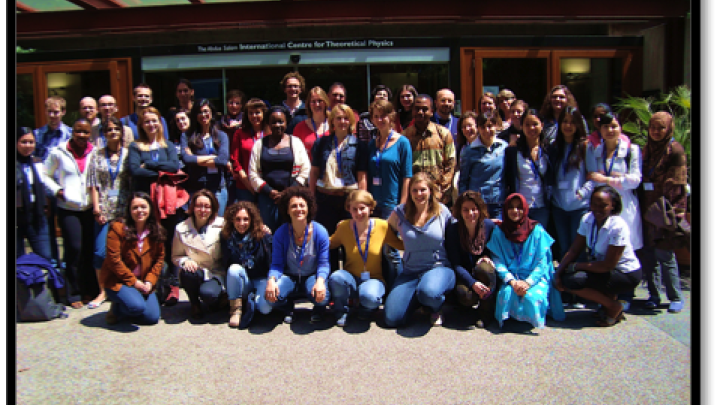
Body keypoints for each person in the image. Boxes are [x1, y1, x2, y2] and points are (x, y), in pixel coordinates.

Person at [555, 186, 642, 326]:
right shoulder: (587, 219)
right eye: (594, 204)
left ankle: (613, 306)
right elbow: (574, 249)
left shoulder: (618, 226)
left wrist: (576, 266)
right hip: (604, 269)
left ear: (613, 205)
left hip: (626, 273)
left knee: (573, 280)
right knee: (565, 277)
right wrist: (558, 273)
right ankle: (608, 305)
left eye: (603, 205)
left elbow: (608, 265)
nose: (597, 209)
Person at [385, 172, 456, 327]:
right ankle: (419, 299)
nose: (419, 194)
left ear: (431, 191)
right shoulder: (400, 212)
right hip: (410, 272)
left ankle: (435, 306)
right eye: (414, 190)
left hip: (438, 268)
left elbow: (457, 234)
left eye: (423, 189)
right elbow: (384, 231)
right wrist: (405, 247)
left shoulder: (443, 212)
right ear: (409, 192)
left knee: (429, 292)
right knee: (392, 318)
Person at [127, 106, 182, 305]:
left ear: (160, 123)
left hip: (167, 202)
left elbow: (174, 167)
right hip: (145, 202)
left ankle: (172, 286)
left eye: (154, 120)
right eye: (147, 121)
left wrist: (149, 165)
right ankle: (152, 284)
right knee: (150, 242)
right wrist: (161, 170)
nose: (151, 124)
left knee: (169, 242)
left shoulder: (167, 145)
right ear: (141, 125)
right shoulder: (135, 146)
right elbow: (134, 171)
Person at [486, 193, 565, 329]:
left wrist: (528, 282)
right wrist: (512, 281)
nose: (515, 211)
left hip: (534, 278)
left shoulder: (537, 230)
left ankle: (531, 319)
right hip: (512, 278)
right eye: (511, 207)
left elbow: (543, 263)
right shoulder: (499, 232)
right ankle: (512, 319)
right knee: (506, 294)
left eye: (519, 207)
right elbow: (497, 261)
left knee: (531, 297)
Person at [328, 190, 404, 326]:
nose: (359, 213)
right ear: (349, 210)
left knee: (370, 297)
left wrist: (413, 234)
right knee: (336, 277)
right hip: (350, 277)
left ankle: (365, 309)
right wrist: (310, 234)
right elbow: (329, 244)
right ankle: (341, 310)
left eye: (362, 208)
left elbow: (400, 245)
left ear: (370, 208)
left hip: (374, 279)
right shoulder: (344, 227)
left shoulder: (382, 226)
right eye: (354, 209)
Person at [44, 118, 97, 309]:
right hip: (68, 208)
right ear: (72, 132)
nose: (82, 136)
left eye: (85, 132)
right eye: (78, 131)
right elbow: (45, 174)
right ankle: (73, 292)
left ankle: (89, 289)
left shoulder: (95, 152)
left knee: (89, 250)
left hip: (90, 208)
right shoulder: (59, 151)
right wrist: (57, 191)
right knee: (74, 249)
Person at [638, 111, 688, 313]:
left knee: (665, 254)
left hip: (665, 209)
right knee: (649, 254)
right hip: (646, 208)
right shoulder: (647, 149)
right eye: (653, 127)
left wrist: (677, 212)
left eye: (661, 128)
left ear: (669, 128)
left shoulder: (674, 150)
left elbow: (679, 183)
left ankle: (675, 296)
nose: (656, 132)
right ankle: (654, 294)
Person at [264, 186, 331, 324]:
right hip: (290, 277)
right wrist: (271, 280)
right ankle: (287, 307)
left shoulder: (320, 232)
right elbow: (276, 264)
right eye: (294, 206)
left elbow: (324, 263)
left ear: (308, 208)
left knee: (324, 297)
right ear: (287, 210)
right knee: (270, 297)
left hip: (311, 276)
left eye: (302, 205)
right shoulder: (281, 233)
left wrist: (320, 281)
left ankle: (318, 309)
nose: (298, 209)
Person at [85, 116, 132, 309]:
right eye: (108, 130)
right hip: (104, 210)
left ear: (121, 132)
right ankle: (102, 291)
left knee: (123, 251)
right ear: (103, 134)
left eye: (115, 129)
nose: (112, 132)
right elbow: (93, 183)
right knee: (99, 251)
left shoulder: (130, 154)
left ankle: (122, 286)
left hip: (124, 210)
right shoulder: (96, 154)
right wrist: (96, 207)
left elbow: (132, 183)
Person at [100, 192, 166, 325]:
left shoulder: (156, 230)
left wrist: (149, 282)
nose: (139, 211)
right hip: (119, 281)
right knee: (137, 307)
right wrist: (134, 282)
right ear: (129, 211)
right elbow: (114, 261)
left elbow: (159, 259)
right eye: (135, 208)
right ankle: (117, 308)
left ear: (150, 209)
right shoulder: (117, 228)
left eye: (143, 207)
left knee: (152, 318)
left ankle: (129, 304)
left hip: (143, 281)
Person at [366, 99, 412, 287]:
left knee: (391, 250)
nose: (379, 119)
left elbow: (407, 177)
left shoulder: (402, 143)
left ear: (392, 116)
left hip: (391, 204)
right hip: (373, 204)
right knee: (375, 249)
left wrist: (402, 207)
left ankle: (398, 289)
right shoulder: (371, 144)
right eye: (376, 116)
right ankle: (384, 287)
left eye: (383, 115)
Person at [586, 112, 643, 255]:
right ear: (600, 129)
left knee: (625, 249)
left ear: (620, 128)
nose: (610, 130)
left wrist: (606, 179)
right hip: (602, 207)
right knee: (603, 248)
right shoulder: (596, 151)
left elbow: (635, 180)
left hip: (625, 205)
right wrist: (619, 178)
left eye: (614, 126)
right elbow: (592, 177)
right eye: (606, 126)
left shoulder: (632, 150)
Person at [309, 103, 369, 237]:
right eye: (339, 118)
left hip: (348, 199)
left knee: (349, 240)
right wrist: (312, 198)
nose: (343, 121)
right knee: (328, 241)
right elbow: (314, 172)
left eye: (346, 118)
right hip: (325, 199)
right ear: (332, 121)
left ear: (351, 121)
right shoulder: (321, 143)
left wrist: (361, 201)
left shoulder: (359, 146)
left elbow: (361, 177)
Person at [248, 106, 311, 232]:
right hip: (267, 198)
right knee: (267, 233)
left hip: (292, 197)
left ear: (286, 122)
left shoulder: (296, 143)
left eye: (281, 121)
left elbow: (305, 169)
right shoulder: (259, 145)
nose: (277, 125)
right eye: (274, 122)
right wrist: (270, 192)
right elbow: (253, 173)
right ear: (268, 124)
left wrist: (287, 192)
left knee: (291, 232)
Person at [546, 107, 594, 261]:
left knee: (578, 248)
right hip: (559, 206)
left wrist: (582, 193)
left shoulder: (586, 147)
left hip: (578, 207)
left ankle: (578, 282)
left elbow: (593, 177)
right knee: (564, 247)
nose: (568, 125)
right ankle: (565, 281)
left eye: (572, 122)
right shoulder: (554, 146)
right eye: (565, 121)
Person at [445, 191, 498, 328]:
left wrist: (488, 257)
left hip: (483, 272)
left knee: (485, 268)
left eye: (474, 209)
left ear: (480, 210)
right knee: (465, 295)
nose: (470, 214)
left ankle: (486, 312)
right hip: (465, 273)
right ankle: (465, 306)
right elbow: (455, 264)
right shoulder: (453, 230)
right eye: (466, 210)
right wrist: (472, 283)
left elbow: (496, 252)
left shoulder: (488, 226)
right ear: (459, 211)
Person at [172, 190, 227, 319]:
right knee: (187, 272)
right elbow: (176, 256)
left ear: (213, 208)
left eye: (207, 206)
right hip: (196, 270)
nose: (203, 210)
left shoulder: (223, 224)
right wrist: (185, 261)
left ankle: (215, 299)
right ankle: (194, 304)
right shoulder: (181, 228)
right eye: (199, 206)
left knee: (209, 295)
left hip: (215, 271)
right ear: (193, 207)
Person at [34, 96, 73, 270]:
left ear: (63, 112)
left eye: (56, 112)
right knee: (47, 230)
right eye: (49, 111)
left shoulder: (70, 134)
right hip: (45, 189)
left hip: (66, 189)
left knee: (67, 229)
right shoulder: (37, 135)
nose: (52, 115)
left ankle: (67, 265)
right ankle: (52, 266)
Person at [221, 201, 273, 328]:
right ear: (232, 220)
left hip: (261, 279)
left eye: (246, 219)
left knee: (265, 309)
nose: (242, 223)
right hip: (242, 280)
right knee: (233, 269)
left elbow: (272, 263)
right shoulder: (226, 237)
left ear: (252, 220)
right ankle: (236, 310)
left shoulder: (263, 235)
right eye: (238, 219)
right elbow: (225, 263)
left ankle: (251, 301)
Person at [404, 94, 457, 206]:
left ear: (432, 111)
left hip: (439, 196)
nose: (420, 112)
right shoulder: (405, 137)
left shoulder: (443, 134)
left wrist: (441, 191)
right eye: (417, 109)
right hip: (414, 196)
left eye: (424, 109)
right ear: (413, 111)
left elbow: (451, 164)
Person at [181, 98, 231, 216]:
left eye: (206, 111)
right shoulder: (187, 136)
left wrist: (195, 158)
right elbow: (187, 159)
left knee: (216, 226)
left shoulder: (221, 135)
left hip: (217, 188)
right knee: (198, 225)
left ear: (211, 113)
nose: (203, 115)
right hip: (196, 187)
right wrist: (214, 157)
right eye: (199, 112)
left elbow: (223, 160)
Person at [503, 109, 551, 230]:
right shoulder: (513, 151)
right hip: (520, 207)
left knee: (539, 242)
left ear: (542, 125)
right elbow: (508, 178)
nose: (531, 128)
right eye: (527, 125)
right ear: (522, 127)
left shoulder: (549, 150)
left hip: (542, 205)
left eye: (535, 124)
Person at [458, 110, 508, 219]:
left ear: (496, 126)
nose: (487, 130)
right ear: (478, 128)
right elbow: (463, 180)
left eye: (490, 126)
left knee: (496, 233)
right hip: (478, 203)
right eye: (483, 127)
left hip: (498, 201)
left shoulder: (503, 147)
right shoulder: (470, 151)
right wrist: (464, 202)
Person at [16, 127, 52, 263]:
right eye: (23, 142)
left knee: (45, 256)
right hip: (18, 215)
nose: (28, 146)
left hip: (36, 215)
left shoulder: (37, 162)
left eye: (31, 142)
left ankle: (40, 283)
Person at [230, 97, 269, 204]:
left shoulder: (270, 132)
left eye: (257, 113)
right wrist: (249, 184)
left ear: (263, 114)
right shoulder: (239, 133)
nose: (254, 116)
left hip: (267, 186)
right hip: (244, 186)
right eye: (251, 113)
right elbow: (235, 161)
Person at [217, 89, 246, 206]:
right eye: (230, 102)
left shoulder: (247, 122)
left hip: (242, 165)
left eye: (237, 103)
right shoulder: (220, 122)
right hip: (225, 165)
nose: (233, 106)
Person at [292, 86, 330, 160]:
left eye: (320, 101)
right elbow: (295, 154)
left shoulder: (334, 125)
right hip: (308, 170)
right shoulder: (300, 128)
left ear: (325, 102)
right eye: (313, 101)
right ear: (308, 104)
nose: (317, 104)